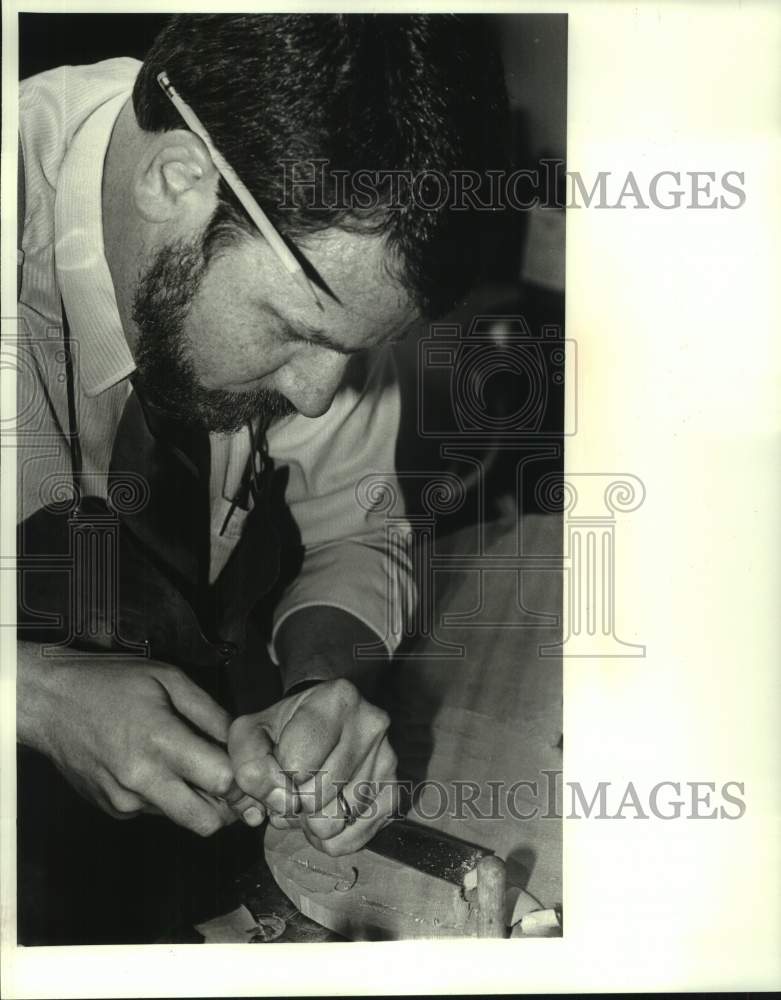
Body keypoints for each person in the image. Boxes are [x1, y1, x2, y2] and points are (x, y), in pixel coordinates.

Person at [15, 13, 508, 941]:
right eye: (299, 333)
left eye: (354, 352)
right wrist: (32, 694)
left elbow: (358, 529)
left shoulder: (332, 247)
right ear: (179, 179)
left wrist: (319, 686)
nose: (319, 399)